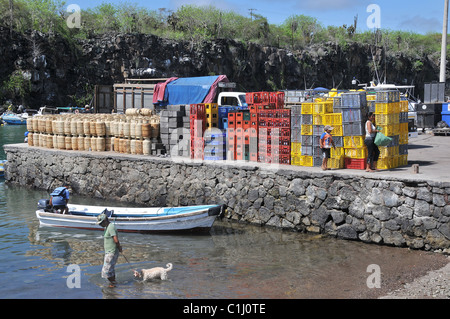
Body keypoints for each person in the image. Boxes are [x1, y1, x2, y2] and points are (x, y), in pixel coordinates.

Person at [97, 213, 122, 288]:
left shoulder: (111, 227)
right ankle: (113, 284)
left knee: (106, 271)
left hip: (112, 252)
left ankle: (112, 284)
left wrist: (119, 247)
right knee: (110, 269)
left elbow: (115, 239)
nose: (100, 225)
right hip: (109, 251)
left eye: (101, 223)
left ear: (105, 221)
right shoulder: (107, 227)